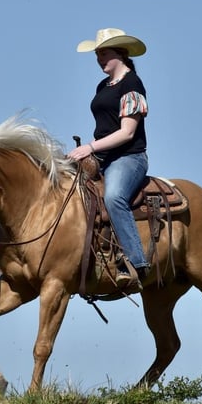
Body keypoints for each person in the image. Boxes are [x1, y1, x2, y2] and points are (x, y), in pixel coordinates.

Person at [68, 28, 151, 290]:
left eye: (104, 53)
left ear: (121, 54)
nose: (99, 58)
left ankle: (135, 262)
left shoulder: (132, 84)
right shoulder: (103, 86)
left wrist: (89, 147)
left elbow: (127, 133)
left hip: (129, 157)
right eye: (97, 54)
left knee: (114, 197)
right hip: (101, 157)